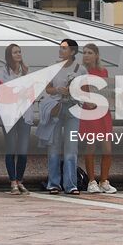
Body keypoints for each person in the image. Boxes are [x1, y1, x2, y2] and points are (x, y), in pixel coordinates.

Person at [39, 38, 83, 195]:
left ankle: (71, 185)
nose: (60, 50)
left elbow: (86, 90)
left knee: (71, 148)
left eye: (64, 48)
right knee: (54, 146)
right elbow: (48, 89)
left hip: (73, 108)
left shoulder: (80, 69)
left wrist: (73, 91)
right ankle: (54, 184)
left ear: (72, 52)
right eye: (60, 48)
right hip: (57, 109)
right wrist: (58, 89)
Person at [79, 44, 118, 193]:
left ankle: (104, 180)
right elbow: (78, 91)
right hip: (89, 112)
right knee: (91, 146)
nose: (86, 55)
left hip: (103, 112)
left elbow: (106, 90)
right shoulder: (81, 72)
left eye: (90, 53)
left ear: (96, 55)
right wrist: (86, 101)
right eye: (84, 53)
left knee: (107, 148)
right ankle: (91, 181)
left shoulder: (103, 71)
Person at [0, 43, 32, 194]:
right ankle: (13, 181)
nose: (18, 54)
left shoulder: (26, 72)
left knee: (23, 151)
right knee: (11, 148)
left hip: (24, 115)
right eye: (15, 52)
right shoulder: (2, 73)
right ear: (9, 56)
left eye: (19, 52)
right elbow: (2, 94)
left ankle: (20, 180)